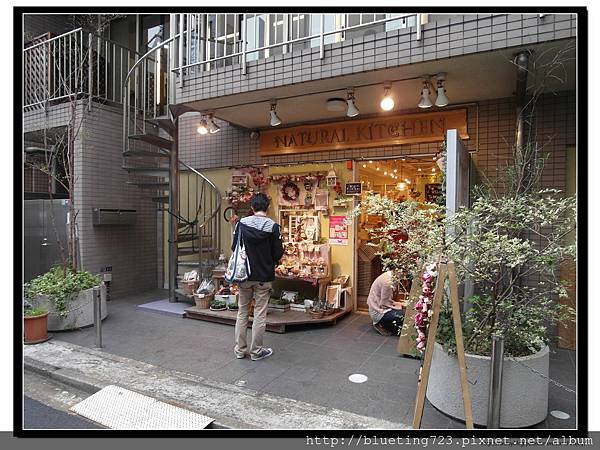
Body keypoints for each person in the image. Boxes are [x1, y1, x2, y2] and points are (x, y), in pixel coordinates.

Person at [231, 193, 284, 361]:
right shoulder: (273, 227)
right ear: (267, 208)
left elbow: (234, 248)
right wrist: (271, 261)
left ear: (252, 208)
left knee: (242, 312)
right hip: (264, 276)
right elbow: (278, 252)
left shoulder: (241, 225)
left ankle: (240, 350)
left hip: (244, 275)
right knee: (260, 314)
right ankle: (256, 352)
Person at [367, 270, 405, 336]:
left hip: (378, 306)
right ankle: (382, 324)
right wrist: (401, 305)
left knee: (403, 312)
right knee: (403, 315)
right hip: (378, 312)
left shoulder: (390, 275)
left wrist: (398, 304)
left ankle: (386, 324)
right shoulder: (387, 282)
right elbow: (385, 303)